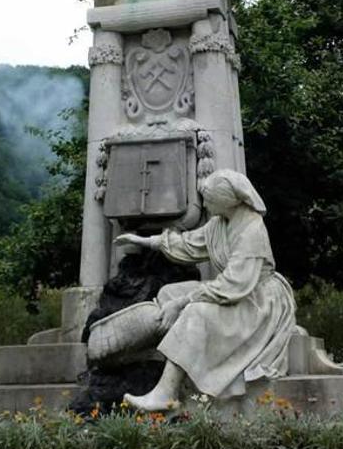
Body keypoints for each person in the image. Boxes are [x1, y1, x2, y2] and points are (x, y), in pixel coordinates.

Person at [112, 169, 296, 411]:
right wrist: (144, 242)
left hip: (257, 301)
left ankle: (166, 393)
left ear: (225, 199)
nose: (203, 203)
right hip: (235, 292)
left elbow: (234, 285)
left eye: (208, 198)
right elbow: (187, 244)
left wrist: (184, 302)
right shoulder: (219, 224)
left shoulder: (252, 229)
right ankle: (162, 366)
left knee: (195, 311)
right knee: (169, 293)